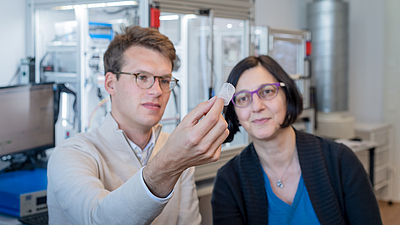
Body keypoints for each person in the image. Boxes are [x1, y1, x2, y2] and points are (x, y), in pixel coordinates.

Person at [47, 26, 229, 225]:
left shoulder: (176, 148)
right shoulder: (70, 154)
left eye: (165, 80)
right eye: (142, 77)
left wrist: (176, 158)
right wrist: (170, 162)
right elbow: (98, 220)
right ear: (110, 83)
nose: (157, 91)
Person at [211, 55, 382, 225]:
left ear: (288, 95)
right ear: (235, 113)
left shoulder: (340, 161)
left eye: (267, 91)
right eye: (243, 98)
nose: (257, 106)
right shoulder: (228, 181)